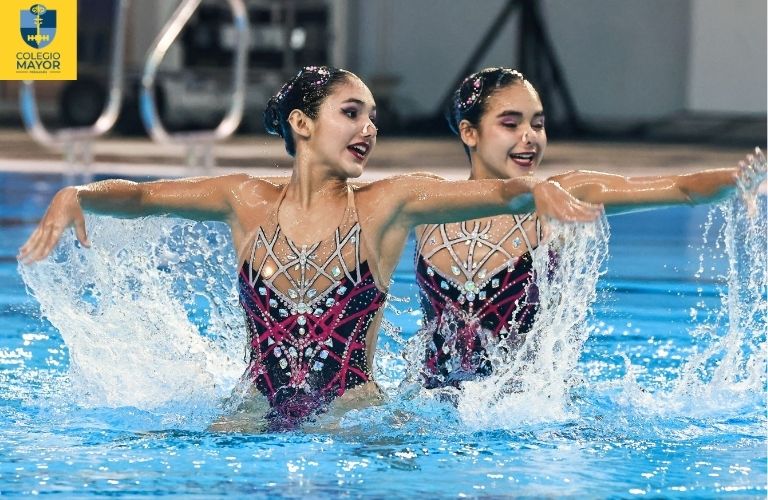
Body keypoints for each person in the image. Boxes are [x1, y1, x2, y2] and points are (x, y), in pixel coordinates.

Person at [17, 66, 601, 430]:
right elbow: (143, 198)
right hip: (255, 407)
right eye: (351, 114)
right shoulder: (244, 200)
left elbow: (492, 193)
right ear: (301, 123)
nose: (368, 130)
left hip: (352, 417)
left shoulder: (384, 203)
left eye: (373, 118)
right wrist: (79, 193)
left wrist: (533, 191)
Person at [413, 67, 766, 389]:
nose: (529, 137)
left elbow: (678, 188)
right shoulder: (429, 206)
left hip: (528, 408)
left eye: (537, 124)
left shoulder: (564, 194)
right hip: (436, 405)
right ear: (469, 132)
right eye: (510, 124)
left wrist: (733, 180)